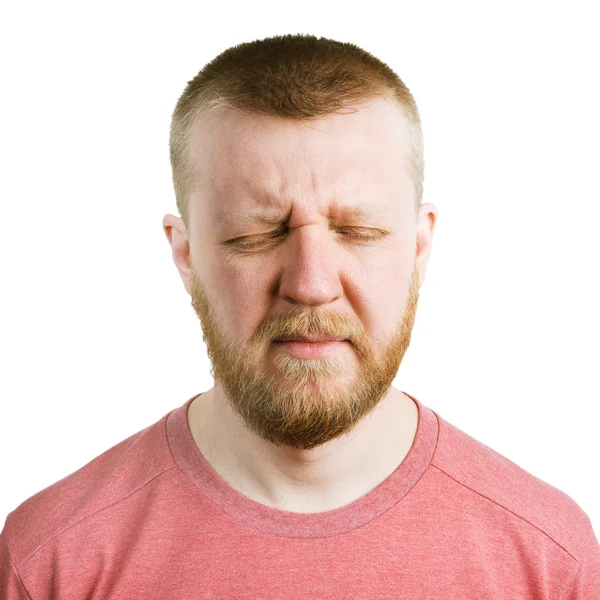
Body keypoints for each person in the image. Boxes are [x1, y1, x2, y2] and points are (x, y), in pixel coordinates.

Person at [1, 33, 598, 599]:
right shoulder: (51, 561)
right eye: (255, 235)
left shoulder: (548, 561)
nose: (311, 285)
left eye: (358, 232)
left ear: (418, 248)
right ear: (185, 254)